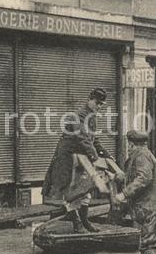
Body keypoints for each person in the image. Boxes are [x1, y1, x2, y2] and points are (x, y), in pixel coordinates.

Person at [42, 87, 110, 233]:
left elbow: (93, 140)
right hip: (68, 158)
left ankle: (84, 221)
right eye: (97, 103)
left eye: (101, 105)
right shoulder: (77, 116)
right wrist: (95, 158)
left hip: (81, 159)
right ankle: (77, 223)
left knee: (84, 189)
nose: (98, 107)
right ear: (90, 99)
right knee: (70, 191)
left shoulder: (91, 117)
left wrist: (107, 154)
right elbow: (83, 139)